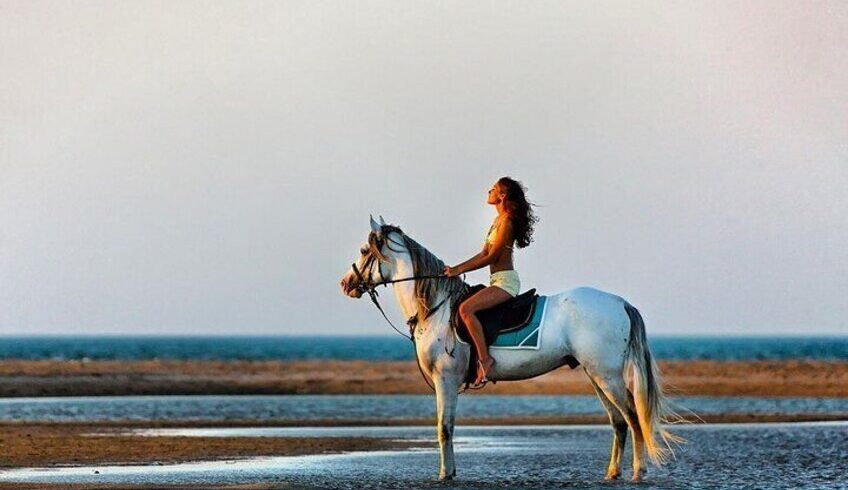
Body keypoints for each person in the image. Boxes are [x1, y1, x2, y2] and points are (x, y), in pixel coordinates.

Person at [444, 177, 538, 387]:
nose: (489, 191)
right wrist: (455, 268)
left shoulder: (507, 222)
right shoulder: (497, 221)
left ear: (502, 195)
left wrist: (459, 270)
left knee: (466, 310)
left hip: (506, 283)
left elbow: (491, 257)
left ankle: (485, 359)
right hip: (496, 279)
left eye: (493, 189)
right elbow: (483, 253)